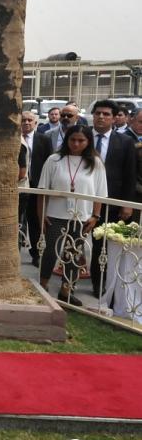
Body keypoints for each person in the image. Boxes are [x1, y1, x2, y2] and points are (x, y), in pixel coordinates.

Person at [36, 125, 106, 305]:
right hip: (55, 215)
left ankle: (66, 290)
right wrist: (41, 214)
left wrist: (95, 216)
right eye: (72, 140)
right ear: (67, 140)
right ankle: (42, 286)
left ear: (88, 142)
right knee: (50, 251)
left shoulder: (95, 163)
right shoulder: (54, 160)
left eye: (81, 141)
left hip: (82, 216)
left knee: (74, 254)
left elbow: (100, 192)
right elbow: (42, 190)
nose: (76, 144)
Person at [87, 99, 136, 300]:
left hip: (111, 201)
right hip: (83, 198)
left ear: (114, 118)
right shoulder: (82, 137)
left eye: (106, 114)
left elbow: (130, 175)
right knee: (77, 242)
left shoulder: (124, 142)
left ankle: (101, 286)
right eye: (98, 113)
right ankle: (68, 283)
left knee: (103, 244)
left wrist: (126, 203)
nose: (101, 117)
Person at [19, 111, 40, 266]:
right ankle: (16, 251)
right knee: (19, 221)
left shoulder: (43, 139)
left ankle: (36, 254)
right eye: (23, 120)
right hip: (21, 187)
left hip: (38, 186)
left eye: (29, 120)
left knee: (35, 221)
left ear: (35, 123)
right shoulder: (14, 141)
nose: (26, 122)